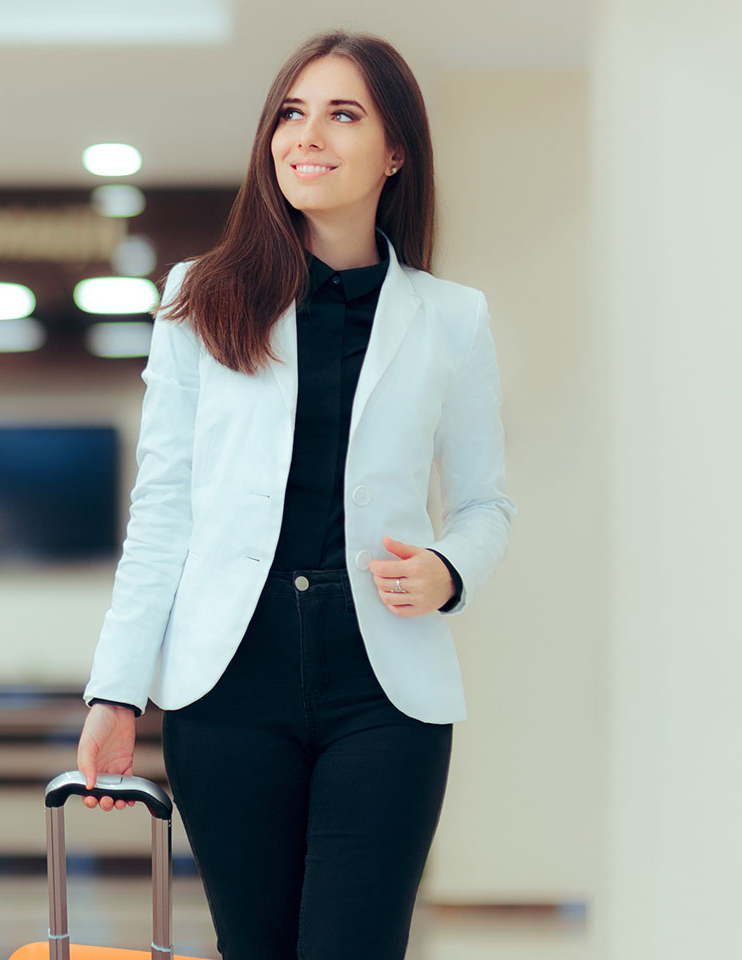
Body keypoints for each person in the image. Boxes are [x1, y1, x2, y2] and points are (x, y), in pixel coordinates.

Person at [72, 30, 518, 960]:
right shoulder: (202, 297)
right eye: (290, 112)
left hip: (383, 692)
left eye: (341, 114)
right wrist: (116, 693)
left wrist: (448, 567)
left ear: (396, 152)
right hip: (230, 685)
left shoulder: (451, 318)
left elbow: (485, 507)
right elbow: (161, 512)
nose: (305, 136)